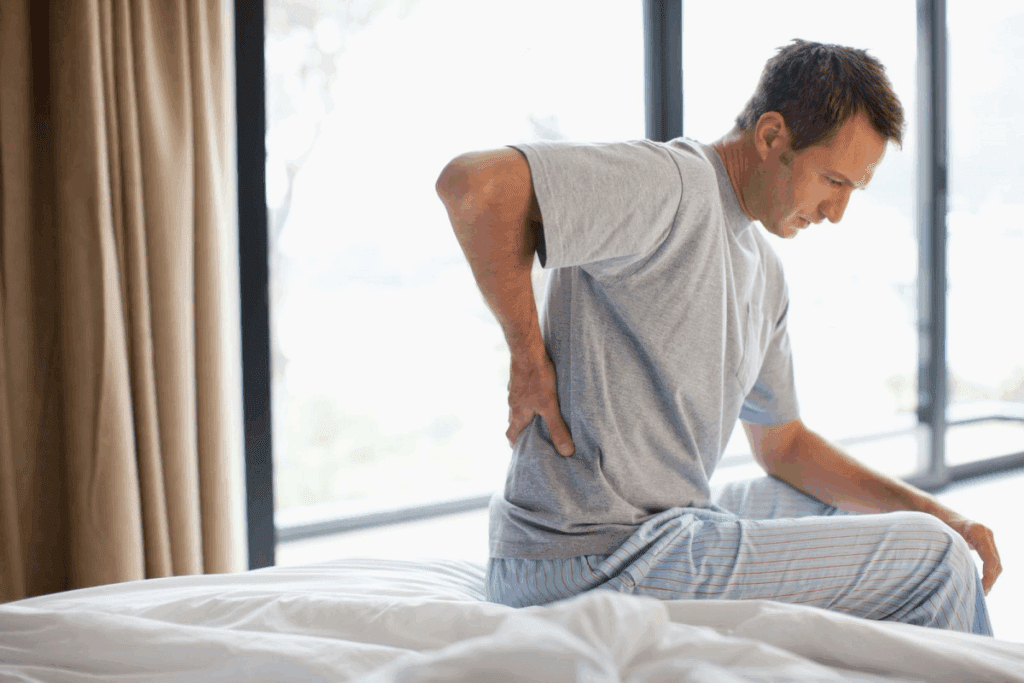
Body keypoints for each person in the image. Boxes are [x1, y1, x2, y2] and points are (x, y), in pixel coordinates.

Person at [435, 39, 1001, 636]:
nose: (835, 212)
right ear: (772, 135)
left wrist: (942, 516)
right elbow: (474, 184)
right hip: (588, 557)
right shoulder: (672, 185)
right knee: (936, 562)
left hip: (668, 525)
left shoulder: (765, 269)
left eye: (851, 190)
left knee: (880, 520)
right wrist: (528, 358)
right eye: (832, 180)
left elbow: (783, 444)